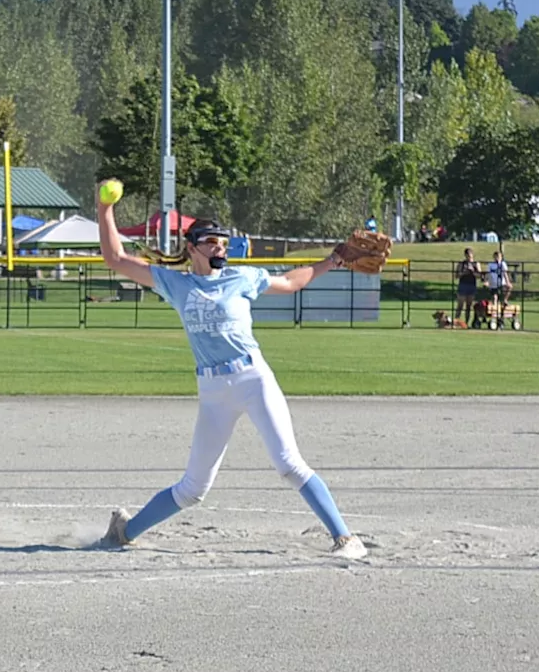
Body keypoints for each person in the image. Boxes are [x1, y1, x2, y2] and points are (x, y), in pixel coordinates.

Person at [94, 186, 367, 559]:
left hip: (252, 379)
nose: (220, 248)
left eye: (223, 243)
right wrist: (104, 208)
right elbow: (115, 258)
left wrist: (333, 260)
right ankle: (125, 531)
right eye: (211, 242)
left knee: (288, 463)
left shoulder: (242, 278)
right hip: (212, 389)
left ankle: (346, 538)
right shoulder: (177, 283)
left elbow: (290, 282)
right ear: (191, 247)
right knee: (193, 489)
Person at [455, 248, 481, 326]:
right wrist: (464, 273)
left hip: (472, 285)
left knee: (469, 306)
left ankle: (466, 323)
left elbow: (479, 275)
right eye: (467, 256)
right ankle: (456, 322)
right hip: (463, 285)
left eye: (470, 256)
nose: (469, 258)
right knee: (460, 305)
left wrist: (473, 272)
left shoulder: (476, 264)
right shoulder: (461, 264)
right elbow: (456, 275)